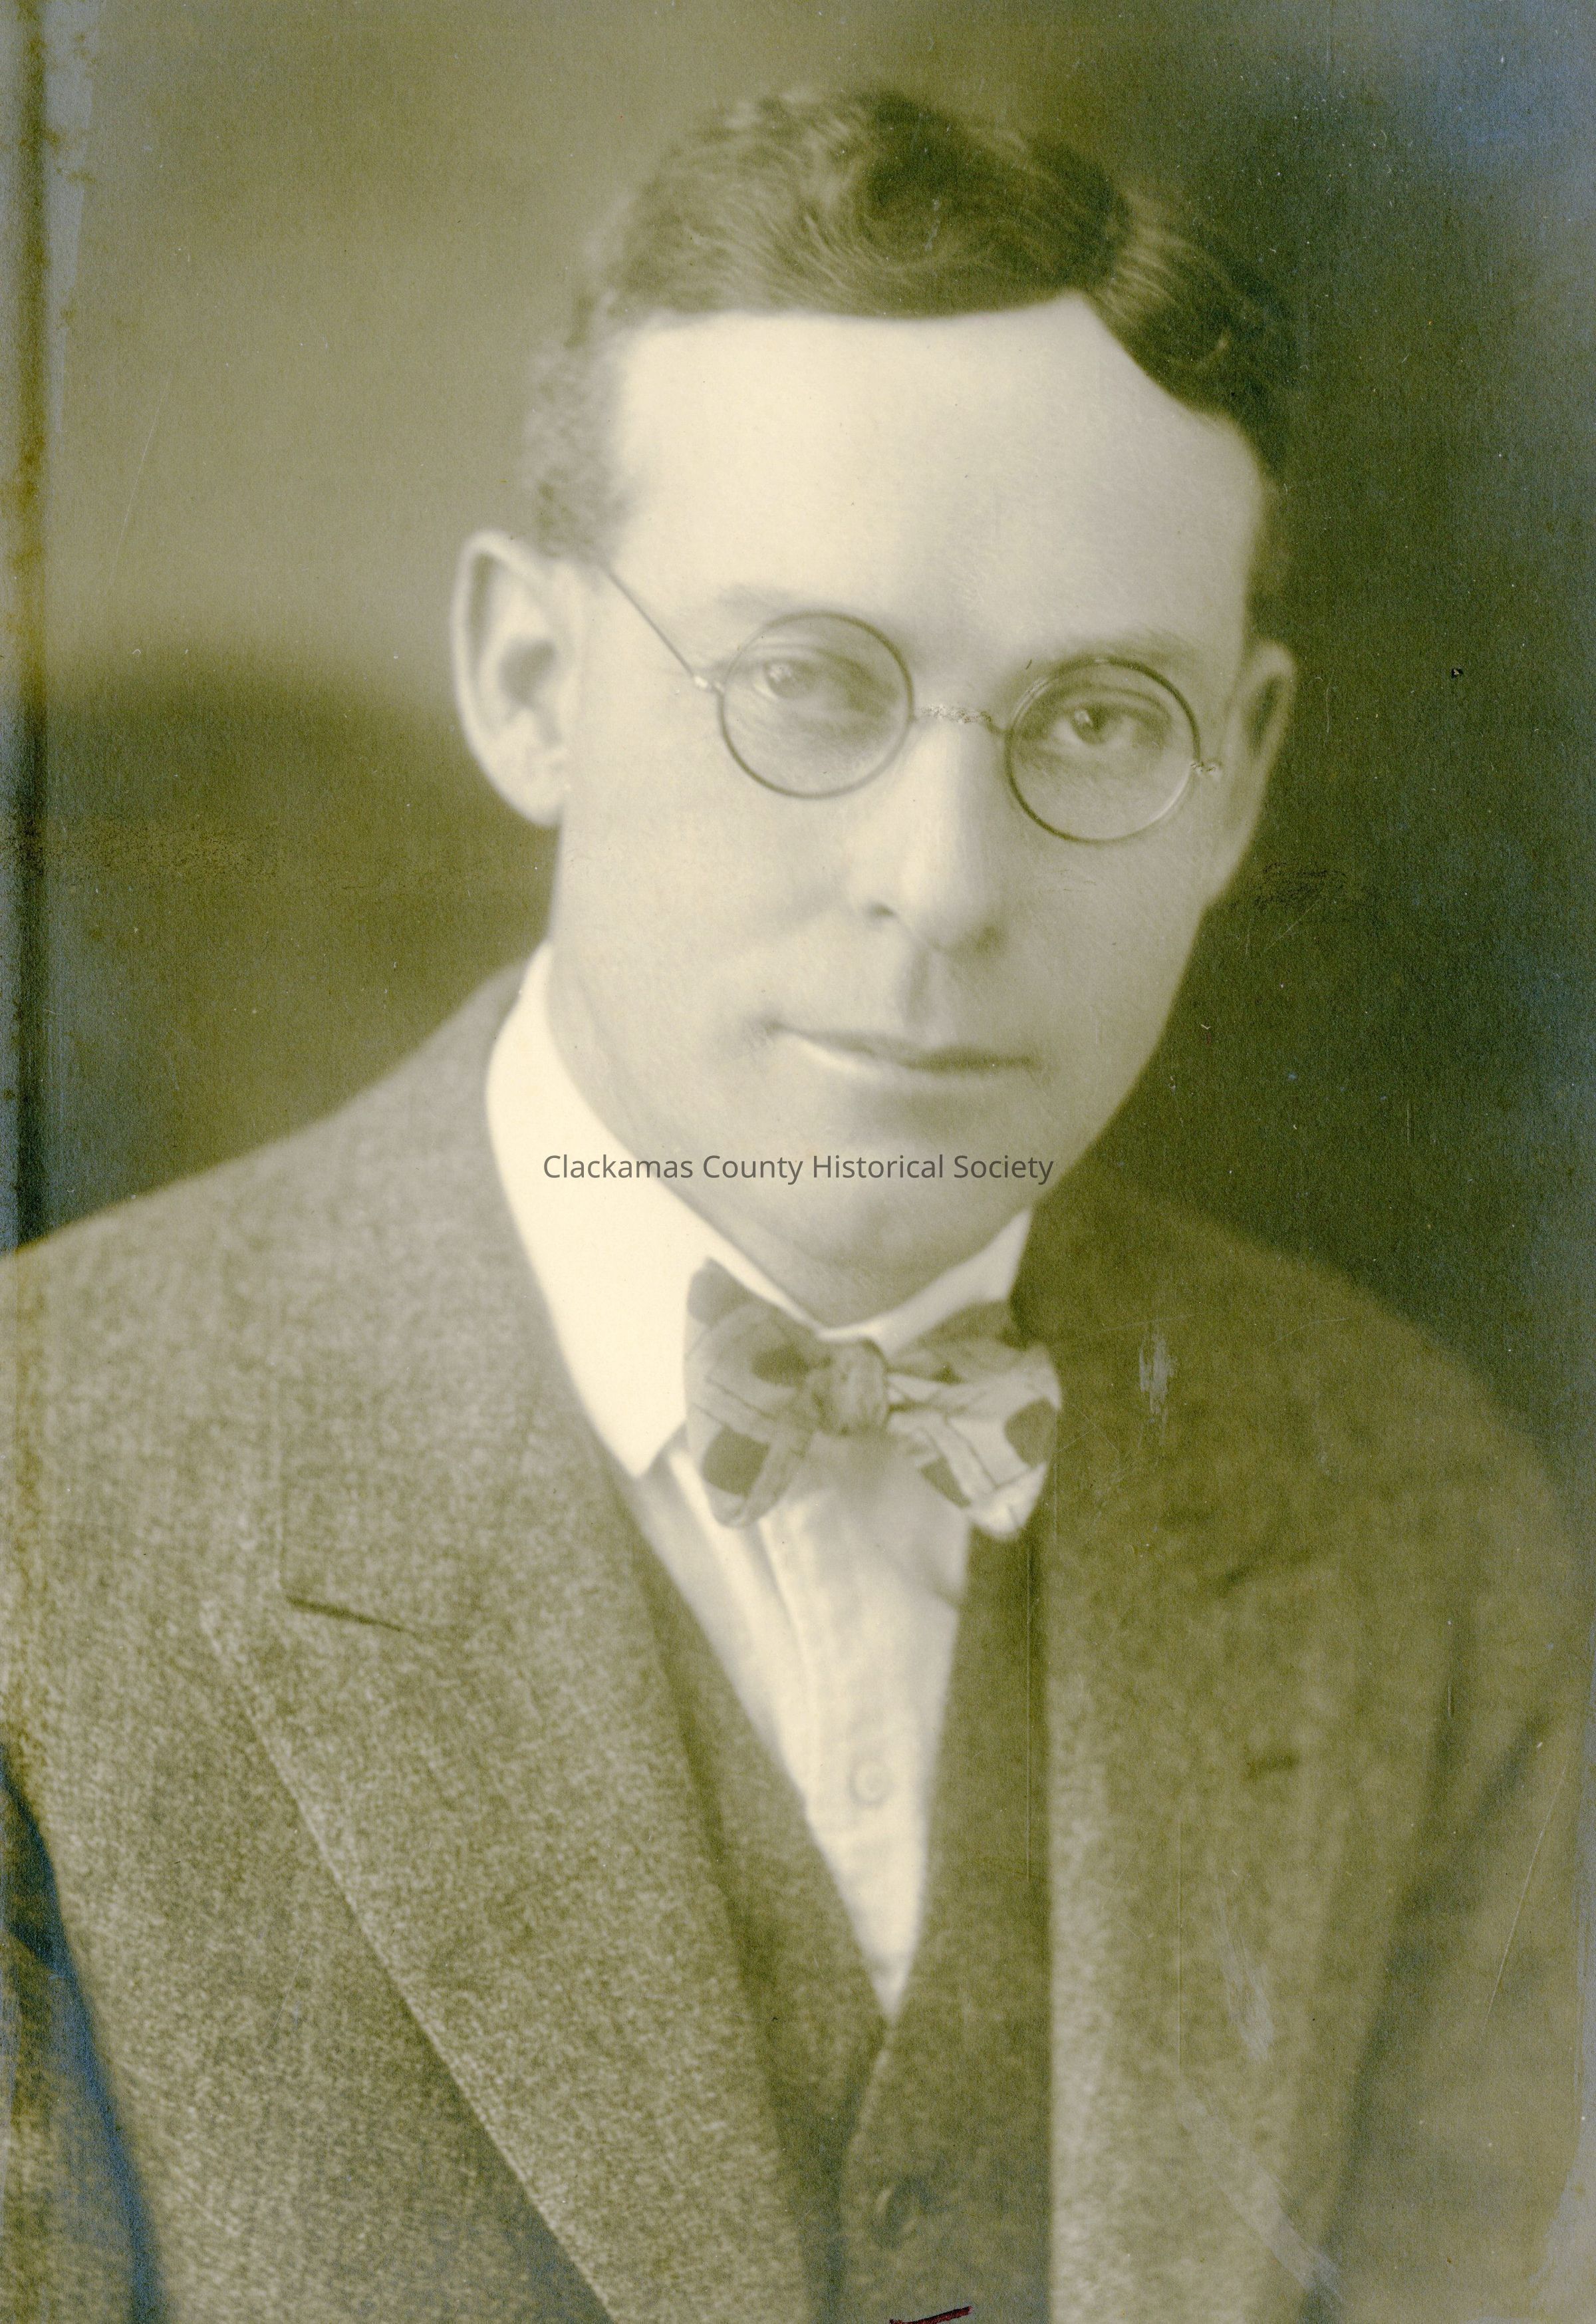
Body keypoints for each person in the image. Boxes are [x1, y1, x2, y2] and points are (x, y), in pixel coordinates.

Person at [1, 88, 1585, 2324]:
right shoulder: (39, 1508)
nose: (940, 888)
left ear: (1236, 783)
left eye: (1098, 722)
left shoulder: (1423, 1529)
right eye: (809, 689)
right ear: (531, 686)